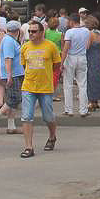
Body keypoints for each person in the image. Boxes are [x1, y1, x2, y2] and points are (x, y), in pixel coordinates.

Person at [18, 19, 62, 158]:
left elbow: (56, 65)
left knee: (48, 116)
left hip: (45, 87)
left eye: (34, 31)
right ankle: (28, 147)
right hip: (28, 86)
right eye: (29, 31)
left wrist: (47, 75)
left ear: (41, 32)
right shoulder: (25, 47)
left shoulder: (51, 46)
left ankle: (52, 136)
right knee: (26, 116)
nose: (31, 34)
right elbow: (24, 65)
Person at [0, 20, 24, 134]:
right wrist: (9, 75)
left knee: (13, 99)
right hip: (13, 74)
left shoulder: (9, 40)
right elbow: (8, 58)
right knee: (15, 98)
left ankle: (11, 126)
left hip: (14, 73)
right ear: (17, 31)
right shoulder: (9, 41)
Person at [61, 12, 91, 116]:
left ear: (72, 21)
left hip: (71, 57)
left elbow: (66, 48)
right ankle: (83, 110)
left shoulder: (69, 32)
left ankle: (69, 109)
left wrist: (61, 62)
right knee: (82, 84)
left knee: (68, 84)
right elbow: (87, 46)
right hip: (82, 57)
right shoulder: (86, 31)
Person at [85, 15, 100, 111]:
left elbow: (87, 47)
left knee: (90, 79)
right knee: (97, 79)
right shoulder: (99, 33)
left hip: (91, 58)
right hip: (98, 57)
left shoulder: (90, 34)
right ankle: (96, 100)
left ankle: (91, 102)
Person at [44, 16, 63, 96]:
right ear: (57, 25)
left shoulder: (45, 32)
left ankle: (45, 89)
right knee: (55, 74)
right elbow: (62, 46)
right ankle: (52, 92)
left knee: (46, 73)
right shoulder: (60, 34)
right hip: (57, 55)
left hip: (46, 53)